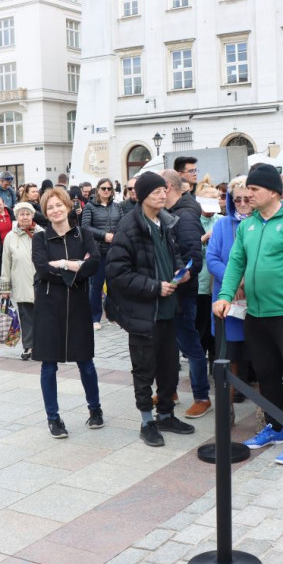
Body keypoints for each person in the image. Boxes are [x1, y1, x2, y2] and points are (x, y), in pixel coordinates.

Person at [213, 163, 283, 466]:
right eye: (247, 189)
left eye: (254, 189)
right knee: (266, 374)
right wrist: (224, 296)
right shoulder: (248, 225)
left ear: (273, 191)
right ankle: (274, 428)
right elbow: (235, 262)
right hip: (256, 316)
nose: (248, 195)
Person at [107, 171, 196, 447]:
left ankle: (166, 414)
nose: (162, 194)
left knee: (170, 367)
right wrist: (155, 287)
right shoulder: (129, 226)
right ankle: (147, 421)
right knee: (144, 368)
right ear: (144, 195)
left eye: (164, 190)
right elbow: (117, 273)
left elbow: (174, 254)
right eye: (156, 191)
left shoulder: (165, 222)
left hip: (168, 310)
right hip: (144, 312)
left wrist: (181, 270)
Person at [31, 188, 104, 438]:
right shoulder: (40, 239)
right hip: (49, 308)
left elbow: (93, 264)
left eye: (58, 205)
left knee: (86, 362)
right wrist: (75, 268)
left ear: (67, 206)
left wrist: (63, 265)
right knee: (48, 365)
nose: (55, 210)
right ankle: (53, 418)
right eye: (50, 207)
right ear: (45, 212)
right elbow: (42, 270)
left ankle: (95, 409)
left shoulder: (82, 235)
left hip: (78, 306)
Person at [161, 169, 210, 419]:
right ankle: (170, 391)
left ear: (167, 188)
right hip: (169, 293)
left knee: (191, 346)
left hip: (181, 294)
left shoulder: (186, 215)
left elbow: (193, 259)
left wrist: (174, 280)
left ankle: (202, 396)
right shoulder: (172, 212)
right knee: (170, 344)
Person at [206, 176, 252, 403]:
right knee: (229, 351)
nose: (242, 203)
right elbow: (212, 258)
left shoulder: (258, 223)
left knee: (253, 350)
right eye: (238, 199)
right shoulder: (222, 224)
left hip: (253, 296)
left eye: (247, 199)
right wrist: (233, 285)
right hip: (227, 297)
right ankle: (229, 403)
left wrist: (245, 283)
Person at [81, 177, 124, 329]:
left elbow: (123, 223)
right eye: (103, 188)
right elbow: (85, 227)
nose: (106, 191)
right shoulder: (90, 206)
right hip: (98, 250)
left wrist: (117, 236)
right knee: (97, 284)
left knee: (114, 284)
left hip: (114, 250)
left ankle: (112, 315)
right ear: (97, 189)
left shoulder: (117, 206)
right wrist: (103, 235)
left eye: (109, 188)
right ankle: (95, 317)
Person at [1, 202, 42, 360]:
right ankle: (28, 347)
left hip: (40, 283)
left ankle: (43, 346)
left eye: (27, 214)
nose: (25, 217)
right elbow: (6, 264)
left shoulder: (41, 233)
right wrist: (5, 288)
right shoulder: (11, 237)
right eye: (21, 214)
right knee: (26, 317)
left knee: (42, 317)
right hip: (21, 284)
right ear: (17, 217)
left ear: (32, 216)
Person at [196, 185, 221, 367]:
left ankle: (215, 360)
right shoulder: (193, 221)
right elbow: (186, 249)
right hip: (200, 282)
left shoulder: (221, 221)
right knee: (201, 324)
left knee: (216, 326)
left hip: (218, 283)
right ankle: (199, 360)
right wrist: (203, 239)